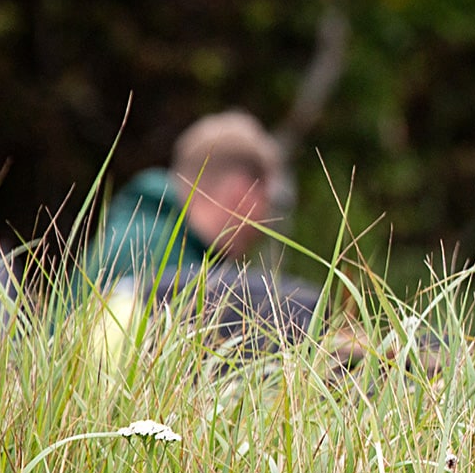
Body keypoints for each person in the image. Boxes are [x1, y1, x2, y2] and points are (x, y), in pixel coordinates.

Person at [75, 112, 316, 347]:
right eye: (267, 202)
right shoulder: (156, 253)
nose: (265, 223)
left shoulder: (144, 232)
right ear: (242, 192)